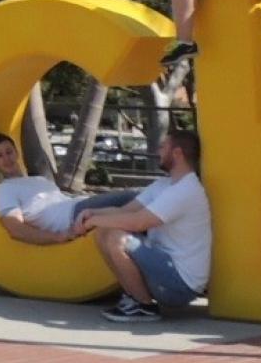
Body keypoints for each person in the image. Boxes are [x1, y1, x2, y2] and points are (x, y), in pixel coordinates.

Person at [75, 130, 212, 322]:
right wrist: (92, 213)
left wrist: (93, 221)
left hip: (180, 284)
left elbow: (138, 222)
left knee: (117, 238)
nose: (158, 151)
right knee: (104, 233)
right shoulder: (164, 185)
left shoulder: (187, 190)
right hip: (161, 266)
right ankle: (133, 299)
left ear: (177, 153)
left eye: (163, 147)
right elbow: (127, 210)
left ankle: (144, 306)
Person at [0, 134, 137, 245]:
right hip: (73, 215)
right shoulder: (4, 190)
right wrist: (57, 236)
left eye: (9, 152)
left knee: (141, 202)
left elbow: (61, 199)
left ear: (17, 153)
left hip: (79, 205)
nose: (7, 158)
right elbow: (16, 229)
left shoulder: (39, 180)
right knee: (134, 197)